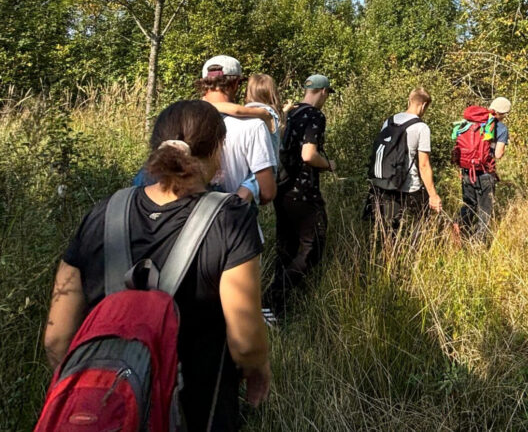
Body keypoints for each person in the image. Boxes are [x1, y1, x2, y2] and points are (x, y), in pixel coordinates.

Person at [43, 100, 270, 430]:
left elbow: (57, 338)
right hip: (199, 410)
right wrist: (258, 370)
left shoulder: (102, 213)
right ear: (216, 150)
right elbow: (246, 343)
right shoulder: (231, 218)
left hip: (112, 411)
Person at [266, 74, 336, 320]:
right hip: (303, 192)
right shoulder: (314, 116)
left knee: (286, 248)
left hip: (281, 189)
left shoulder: (290, 112)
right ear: (323, 92)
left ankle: (273, 310)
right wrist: (328, 165)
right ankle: (272, 297)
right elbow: (309, 155)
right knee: (312, 246)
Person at [197, 56, 277, 207]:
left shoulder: (180, 118)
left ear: (203, 83)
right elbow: (267, 192)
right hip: (235, 216)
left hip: (191, 216)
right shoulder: (254, 126)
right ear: (235, 84)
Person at [369, 87, 443, 232]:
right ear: (424, 105)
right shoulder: (421, 127)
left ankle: (389, 247)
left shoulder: (389, 121)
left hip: (388, 182)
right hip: (410, 185)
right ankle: (416, 247)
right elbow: (424, 165)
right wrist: (433, 195)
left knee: (390, 228)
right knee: (423, 223)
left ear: (409, 101)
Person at [458, 96, 511, 242]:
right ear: (503, 113)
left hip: (467, 170)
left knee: (469, 204)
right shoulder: (501, 128)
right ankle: (478, 243)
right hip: (485, 172)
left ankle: (460, 230)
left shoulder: (470, 122)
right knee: (485, 209)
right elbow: (498, 154)